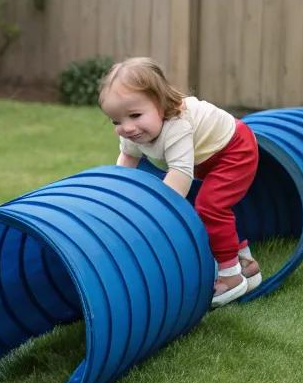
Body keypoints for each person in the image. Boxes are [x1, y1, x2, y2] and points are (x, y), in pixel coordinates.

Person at [99, 57, 261, 307]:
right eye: (116, 121)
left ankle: (231, 276)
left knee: (210, 206)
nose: (127, 127)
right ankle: (245, 262)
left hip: (235, 150)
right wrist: (119, 196)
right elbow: (128, 159)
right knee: (208, 204)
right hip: (205, 158)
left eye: (135, 115)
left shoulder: (177, 125)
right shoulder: (133, 131)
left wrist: (156, 214)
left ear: (161, 104)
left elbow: (180, 176)